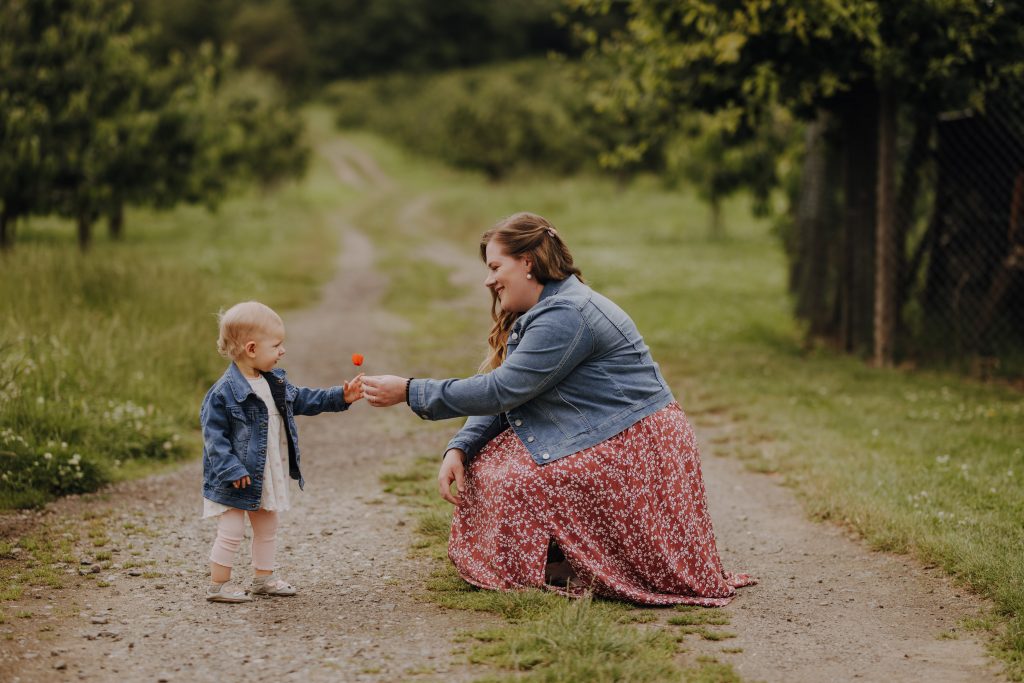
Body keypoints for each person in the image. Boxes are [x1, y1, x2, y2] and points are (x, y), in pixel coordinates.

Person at [362, 212, 754, 606]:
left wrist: (410, 391)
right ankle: (561, 558)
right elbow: (508, 388)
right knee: (489, 466)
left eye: (496, 266)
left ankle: (568, 562)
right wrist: (461, 445)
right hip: (604, 429)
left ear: (528, 262)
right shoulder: (544, 307)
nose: (488, 280)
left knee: (517, 479)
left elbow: (502, 389)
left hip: (638, 440)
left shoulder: (567, 313)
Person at [200, 301, 363, 603]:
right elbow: (214, 438)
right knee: (232, 531)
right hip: (234, 476)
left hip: (263, 473)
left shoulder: (273, 383)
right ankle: (218, 584)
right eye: (276, 345)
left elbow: (304, 399)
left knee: (267, 525)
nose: (282, 351)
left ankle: (263, 578)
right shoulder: (223, 392)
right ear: (251, 349)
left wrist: (341, 397)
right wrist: (231, 469)